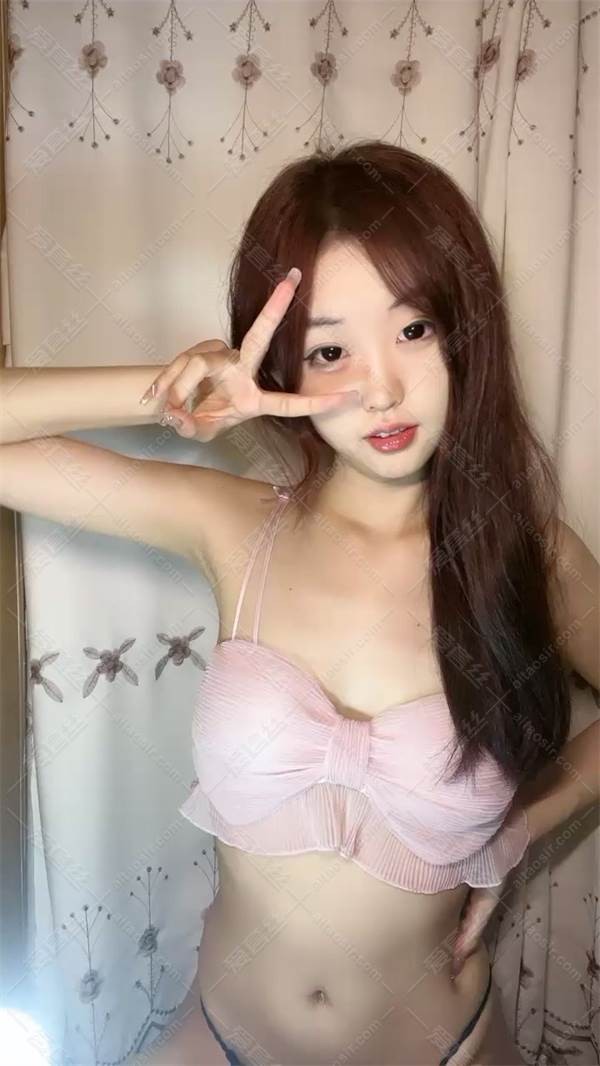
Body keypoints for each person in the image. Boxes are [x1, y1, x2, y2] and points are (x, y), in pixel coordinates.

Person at [1, 139, 594, 1066]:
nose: (381, 389)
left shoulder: (531, 558)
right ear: (280, 368)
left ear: (465, 329)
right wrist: (166, 394)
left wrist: (519, 829)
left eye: (414, 330)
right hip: (220, 1041)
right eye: (329, 350)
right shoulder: (234, 527)